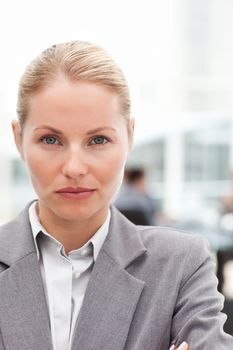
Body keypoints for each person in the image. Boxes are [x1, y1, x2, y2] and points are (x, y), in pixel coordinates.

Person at [0, 41, 231, 350]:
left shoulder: (180, 264)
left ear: (129, 136)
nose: (74, 167)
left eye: (98, 139)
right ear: (18, 139)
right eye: (51, 139)